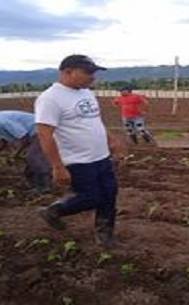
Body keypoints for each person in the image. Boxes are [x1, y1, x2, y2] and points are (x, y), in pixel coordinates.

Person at [35, 54, 124, 248]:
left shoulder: (86, 93)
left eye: (94, 73)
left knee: (109, 194)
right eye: (88, 73)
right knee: (91, 197)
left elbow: (94, 121)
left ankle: (105, 235)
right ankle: (54, 210)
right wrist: (57, 167)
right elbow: (45, 135)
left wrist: (112, 140)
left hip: (101, 157)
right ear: (68, 72)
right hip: (77, 160)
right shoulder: (50, 99)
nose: (93, 77)